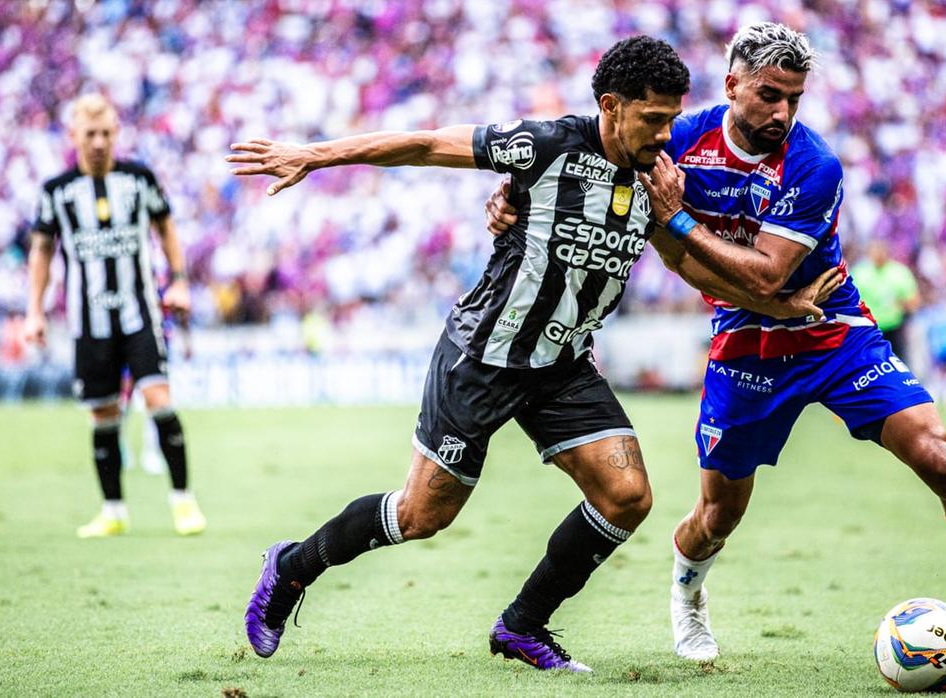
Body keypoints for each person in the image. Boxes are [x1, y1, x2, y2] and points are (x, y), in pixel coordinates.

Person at [226, 36, 839, 672]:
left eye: (671, 119)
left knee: (627, 497)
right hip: (483, 357)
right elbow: (428, 143)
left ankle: (522, 625)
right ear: (611, 106)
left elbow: (683, 262)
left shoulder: (658, 177)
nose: (666, 135)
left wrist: (772, 306)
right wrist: (314, 155)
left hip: (563, 364)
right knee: (421, 514)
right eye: (654, 119)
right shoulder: (546, 145)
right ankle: (292, 566)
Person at [632, 22, 946, 677]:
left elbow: (767, 277)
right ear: (731, 85)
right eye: (769, 95)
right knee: (718, 513)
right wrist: (513, 202)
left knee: (941, 457)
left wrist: (676, 218)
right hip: (745, 342)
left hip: (832, 330)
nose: (782, 112)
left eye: (794, 99)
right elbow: (591, 162)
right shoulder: (679, 141)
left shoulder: (814, 164)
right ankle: (687, 597)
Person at [26, 94, 207, 538]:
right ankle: (113, 511)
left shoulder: (139, 179)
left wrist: (179, 281)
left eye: (106, 133)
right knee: (104, 415)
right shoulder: (57, 192)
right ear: (73, 136)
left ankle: (183, 502)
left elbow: (166, 228)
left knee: (159, 400)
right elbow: (42, 250)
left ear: (116, 134)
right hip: (89, 322)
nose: (99, 142)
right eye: (90, 134)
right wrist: (34, 311)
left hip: (139, 313)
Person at [852, 240, 920, 360]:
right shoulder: (860, 273)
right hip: (869, 330)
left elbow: (913, 301)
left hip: (894, 328)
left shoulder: (899, 272)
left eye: (881, 251)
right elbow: (851, 301)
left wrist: (900, 305)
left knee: (898, 361)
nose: (878, 255)